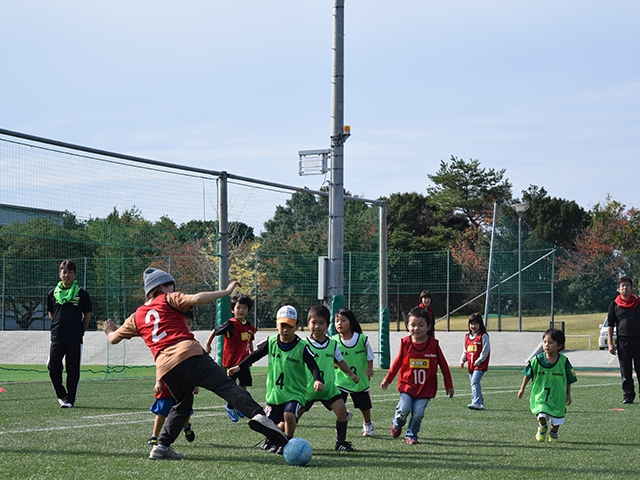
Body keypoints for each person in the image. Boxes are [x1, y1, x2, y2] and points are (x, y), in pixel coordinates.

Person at [103, 268, 288, 460]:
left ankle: (161, 446)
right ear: (158, 288)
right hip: (190, 354)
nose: (173, 287)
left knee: (182, 405)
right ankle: (259, 415)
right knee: (226, 386)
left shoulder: (137, 316)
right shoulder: (167, 299)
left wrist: (109, 330)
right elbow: (197, 298)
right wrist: (226, 292)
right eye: (169, 284)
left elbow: (114, 339)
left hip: (167, 368)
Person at [228, 305, 324, 454]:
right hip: (275, 394)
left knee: (289, 416)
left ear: (297, 326)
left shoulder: (302, 346)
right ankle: (274, 440)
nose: (285, 330)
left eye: (289, 326)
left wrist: (318, 380)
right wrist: (239, 367)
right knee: (270, 424)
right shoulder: (271, 342)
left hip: (295, 393)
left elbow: (313, 366)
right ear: (276, 324)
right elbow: (255, 355)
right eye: (282, 326)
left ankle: (287, 442)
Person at [381, 307, 454, 444]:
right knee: (403, 409)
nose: (416, 328)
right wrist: (387, 379)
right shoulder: (405, 343)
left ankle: (412, 435)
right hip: (407, 385)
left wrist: (448, 386)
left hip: (426, 387)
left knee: (418, 413)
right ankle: (397, 424)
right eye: (413, 325)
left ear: (428, 327)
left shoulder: (434, 345)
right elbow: (397, 363)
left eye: (421, 325)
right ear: (407, 326)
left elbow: (444, 366)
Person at [298, 304, 359, 452]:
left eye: (321, 323)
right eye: (313, 323)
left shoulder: (332, 344)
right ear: (308, 324)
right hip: (307, 390)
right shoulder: (302, 344)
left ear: (327, 325)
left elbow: (340, 361)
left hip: (329, 389)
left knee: (342, 413)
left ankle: (341, 443)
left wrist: (350, 374)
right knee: (291, 417)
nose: (317, 326)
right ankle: (279, 439)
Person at [517, 328, 577, 443]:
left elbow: (569, 379)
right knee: (541, 413)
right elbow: (528, 375)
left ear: (559, 346)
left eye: (550, 342)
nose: (546, 345)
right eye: (544, 342)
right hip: (541, 395)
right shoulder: (536, 361)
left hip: (557, 396)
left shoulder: (564, 362)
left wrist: (568, 395)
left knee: (557, 420)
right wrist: (522, 389)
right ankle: (542, 426)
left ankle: (553, 432)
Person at [47, 259, 92, 408]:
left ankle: (70, 400)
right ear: (60, 274)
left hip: (74, 338)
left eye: (69, 272)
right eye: (64, 272)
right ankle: (61, 394)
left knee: (72, 370)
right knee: (53, 367)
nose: (66, 275)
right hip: (57, 337)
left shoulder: (82, 294)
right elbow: (51, 313)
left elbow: (87, 315)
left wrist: (81, 331)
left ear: (74, 275)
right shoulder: (52, 293)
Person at [148, 311, 198, 446]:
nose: (187, 326)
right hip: (167, 384)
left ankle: (186, 427)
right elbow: (160, 363)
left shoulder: (192, 342)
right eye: (183, 323)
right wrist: (158, 381)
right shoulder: (166, 341)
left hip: (184, 384)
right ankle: (154, 436)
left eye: (189, 323)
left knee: (184, 410)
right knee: (162, 411)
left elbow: (194, 364)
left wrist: (195, 383)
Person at [204, 294, 256, 422]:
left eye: (244, 308)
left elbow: (249, 342)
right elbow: (215, 331)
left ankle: (238, 406)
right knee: (231, 388)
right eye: (238, 307)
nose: (241, 310)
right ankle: (230, 406)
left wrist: (252, 355)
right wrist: (208, 344)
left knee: (243, 385)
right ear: (233, 310)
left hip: (243, 363)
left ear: (248, 310)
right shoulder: (230, 324)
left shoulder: (250, 327)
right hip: (231, 363)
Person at [333, 308, 376, 437]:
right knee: (338, 403)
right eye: (337, 321)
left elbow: (370, 356)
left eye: (343, 320)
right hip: (341, 379)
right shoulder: (333, 341)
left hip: (359, 379)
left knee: (364, 406)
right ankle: (343, 420)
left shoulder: (362, 339)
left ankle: (367, 423)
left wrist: (369, 368)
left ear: (351, 323)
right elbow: (330, 358)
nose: (339, 323)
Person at [607, 275, 640, 404]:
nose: (625, 288)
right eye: (622, 286)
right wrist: (610, 343)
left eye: (627, 285)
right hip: (622, 342)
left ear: (632, 288)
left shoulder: (638, 302)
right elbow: (610, 325)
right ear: (618, 289)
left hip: (638, 340)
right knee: (625, 371)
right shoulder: (614, 305)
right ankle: (628, 395)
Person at [460, 312, 490, 410]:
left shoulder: (483, 336)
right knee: (473, 383)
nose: (473, 326)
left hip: (479, 365)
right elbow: (465, 350)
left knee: (475, 382)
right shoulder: (467, 337)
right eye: (471, 324)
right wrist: (462, 360)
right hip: (471, 365)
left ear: (480, 325)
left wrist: (479, 360)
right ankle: (480, 403)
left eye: (476, 324)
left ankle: (476, 402)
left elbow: (485, 350)